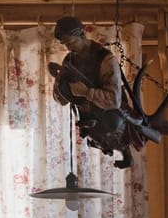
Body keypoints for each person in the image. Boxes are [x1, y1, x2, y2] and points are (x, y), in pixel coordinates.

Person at [49, 15, 156, 169]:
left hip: (110, 119)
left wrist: (87, 92)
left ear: (82, 34)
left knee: (113, 122)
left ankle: (125, 150)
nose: (69, 48)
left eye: (71, 42)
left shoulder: (105, 59)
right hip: (87, 119)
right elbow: (62, 100)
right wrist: (60, 81)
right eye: (65, 44)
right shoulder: (69, 61)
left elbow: (113, 100)